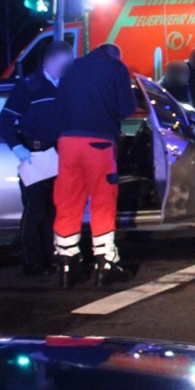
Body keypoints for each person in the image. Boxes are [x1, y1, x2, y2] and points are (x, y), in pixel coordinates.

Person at [53, 43, 137, 288]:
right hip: (99, 142)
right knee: (102, 199)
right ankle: (106, 261)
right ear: (115, 55)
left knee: (68, 200)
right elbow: (126, 108)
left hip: (67, 141)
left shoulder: (72, 67)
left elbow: (59, 105)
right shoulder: (116, 68)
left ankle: (67, 262)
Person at [0, 40, 74, 277]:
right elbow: (5, 120)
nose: (66, 69)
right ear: (49, 61)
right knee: (36, 210)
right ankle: (32, 262)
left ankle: (49, 256)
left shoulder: (66, 85)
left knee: (53, 210)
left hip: (57, 156)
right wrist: (18, 147)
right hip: (35, 156)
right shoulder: (29, 86)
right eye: (63, 64)